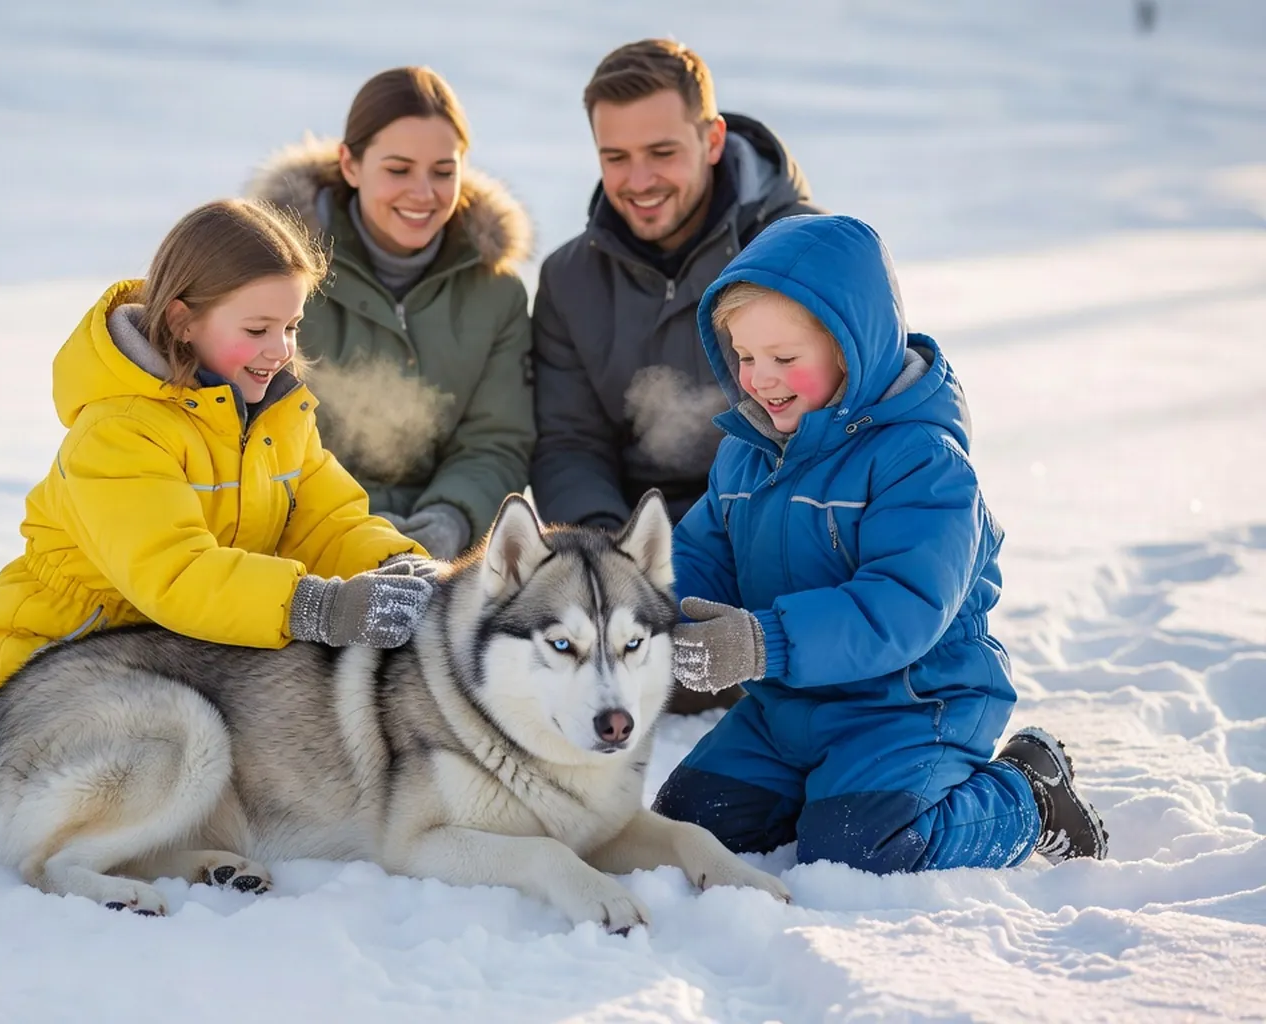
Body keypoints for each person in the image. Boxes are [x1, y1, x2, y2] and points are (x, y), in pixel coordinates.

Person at [0, 198, 435, 775]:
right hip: (66, 656)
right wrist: (320, 606)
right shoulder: (119, 432)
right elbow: (176, 573)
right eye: (257, 329)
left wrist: (407, 570)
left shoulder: (276, 415)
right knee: (111, 775)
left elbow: (329, 522)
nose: (280, 349)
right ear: (184, 321)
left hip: (185, 648)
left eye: (290, 327)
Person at [651, 214, 1109, 872]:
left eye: (785, 358)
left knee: (861, 848)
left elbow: (901, 605)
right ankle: (819, 792)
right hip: (789, 710)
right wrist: (655, 610)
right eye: (745, 356)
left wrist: (760, 642)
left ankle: (1025, 794)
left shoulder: (921, 462)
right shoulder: (747, 456)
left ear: (850, 349)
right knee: (686, 831)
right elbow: (701, 557)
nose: (760, 378)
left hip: (910, 707)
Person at [528, 39, 822, 713]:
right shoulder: (570, 279)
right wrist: (612, 560)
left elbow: (848, 426)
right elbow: (570, 441)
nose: (638, 180)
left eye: (662, 153)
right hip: (645, 545)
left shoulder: (799, 251)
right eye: (615, 158)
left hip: (781, 537)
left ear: (712, 139)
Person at [245, 66, 534, 560]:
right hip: (300, 542)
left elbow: (495, 440)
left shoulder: (497, 291)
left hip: (443, 550)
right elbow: (253, 433)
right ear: (351, 165)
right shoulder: (273, 273)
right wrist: (357, 527)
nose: (423, 194)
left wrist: (451, 518)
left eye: (443, 171)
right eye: (398, 170)